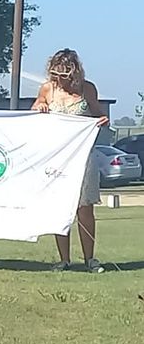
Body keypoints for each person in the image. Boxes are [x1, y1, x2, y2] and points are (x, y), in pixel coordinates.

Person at [32, 48, 110, 272]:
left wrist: (102, 121)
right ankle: (64, 259)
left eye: (64, 75)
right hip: (57, 157)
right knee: (60, 207)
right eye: (56, 74)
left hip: (84, 157)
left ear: (74, 71)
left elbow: (98, 113)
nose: (60, 80)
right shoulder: (48, 89)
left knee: (84, 208)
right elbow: (36, 106)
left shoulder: (87, 88)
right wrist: (41, 106)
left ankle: (90, 259)